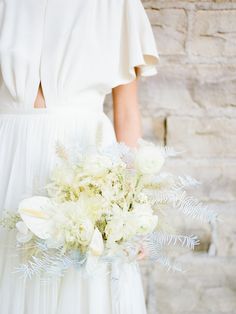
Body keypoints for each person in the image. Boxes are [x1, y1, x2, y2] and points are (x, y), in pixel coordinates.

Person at [0, 0, 159, 313]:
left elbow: (126, 112)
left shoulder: (116, 5)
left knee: (83, 285)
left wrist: (132, 208)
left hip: (86, 161)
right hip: (8, 155)